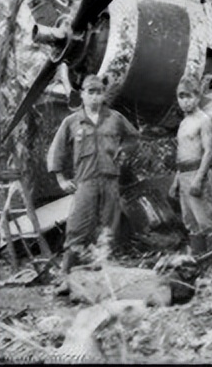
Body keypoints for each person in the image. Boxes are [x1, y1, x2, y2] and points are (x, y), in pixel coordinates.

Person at [47, 74, 139, 292]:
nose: (95, 97)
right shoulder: (72, 121)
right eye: (91, 92)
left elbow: (133, 137)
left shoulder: (115, 118)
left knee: (109, 227)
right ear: (83, 95)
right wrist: (60, 178)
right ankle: (66, 277)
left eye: (99, 92)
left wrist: (122, 152)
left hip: (110, 180)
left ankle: (104, 277)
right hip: (86, 181)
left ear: (104, 94)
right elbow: (57, 150)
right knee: (77, 226)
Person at [168, 76, 212, 258]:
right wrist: (176, 180)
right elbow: (182, 153)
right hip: (183, 174)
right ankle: (199, 262)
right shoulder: (183, 123)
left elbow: (208, 151)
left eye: (188, 96)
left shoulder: (204, 120)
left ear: (197, 97)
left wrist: (199, 179)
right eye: (181, 97)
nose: (185, 101)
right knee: (190, 221)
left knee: (206, 221)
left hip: (198, 173)